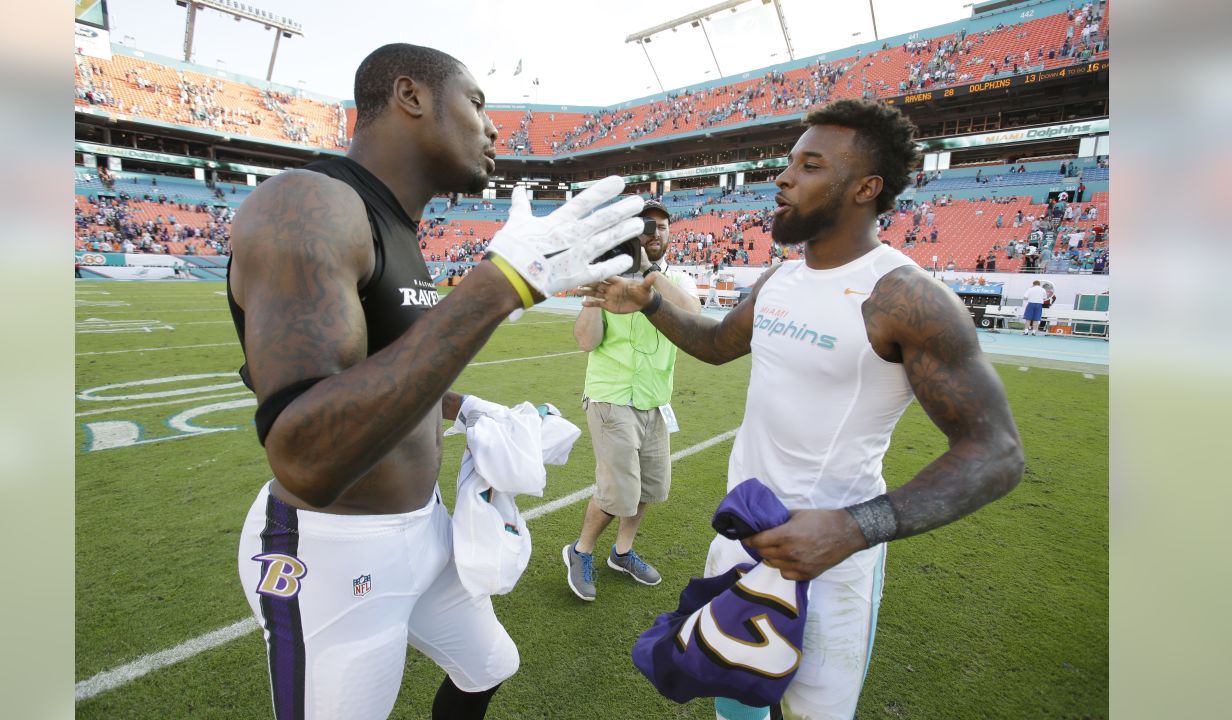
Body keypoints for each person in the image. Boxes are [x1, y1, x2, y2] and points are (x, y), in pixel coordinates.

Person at [226, 43, 644, 720]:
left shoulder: (394, 226)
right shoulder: (305, 204)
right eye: (476, 102)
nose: (494, 127)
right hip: (334, 552)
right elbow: (305, 456)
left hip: (422, 529)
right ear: (411, 96)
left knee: (489, 667)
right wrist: (499, 285)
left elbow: (368, 374)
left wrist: (469, 409)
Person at [578, 99, 1023, 720]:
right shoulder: (779, 280)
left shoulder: (904, 297)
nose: (784, 178)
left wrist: (852, 529)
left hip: (832, 564)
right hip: (741, 537)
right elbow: (715, 344)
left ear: (866, 188)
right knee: (735, 697)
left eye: (809, 165)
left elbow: (996, 452)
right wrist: (648, 304)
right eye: (789, 163)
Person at [564, 200, 701, 601]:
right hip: (612, 397)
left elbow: (693, 315)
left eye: (661, 226)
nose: (653, 232)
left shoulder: (678, 280)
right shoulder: (609, 280)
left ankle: (621, 552)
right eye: (645, 226)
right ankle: (580, 551)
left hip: (655, 400)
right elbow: (586, 342)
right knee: (618, 492)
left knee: (649, 489)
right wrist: (594, 299)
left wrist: (648, 274)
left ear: (670, 233)